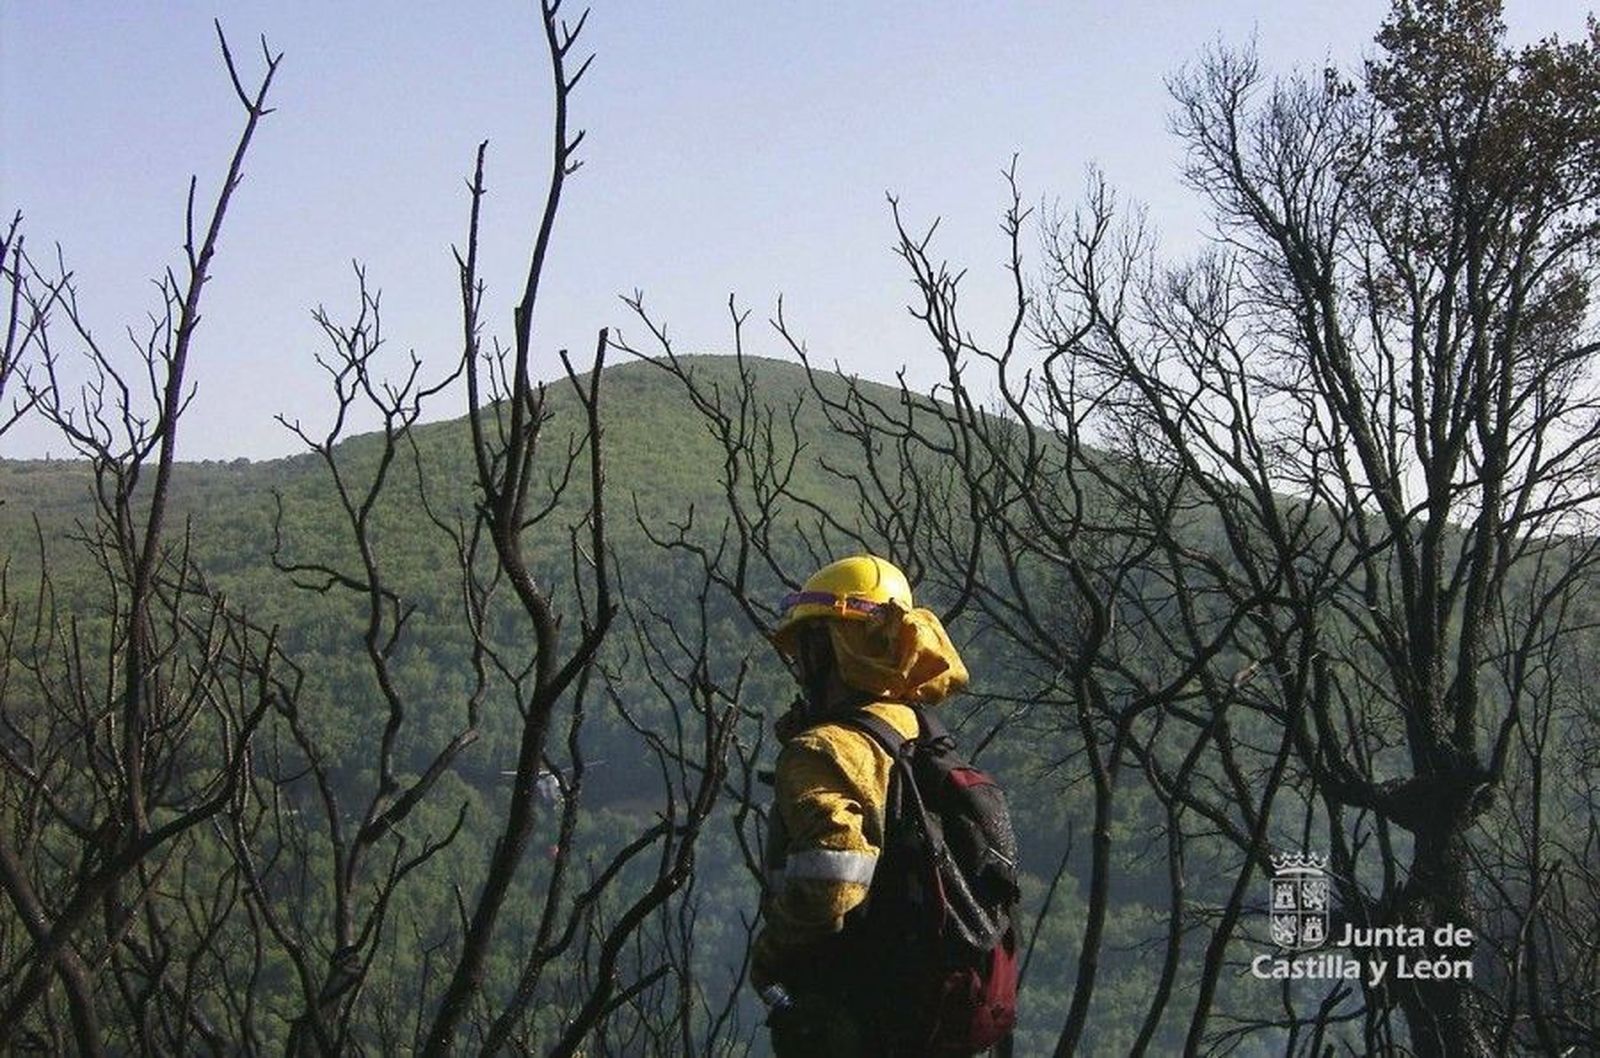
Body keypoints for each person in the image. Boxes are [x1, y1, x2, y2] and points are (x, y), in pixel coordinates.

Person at [751, 554, 971, 1057]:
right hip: (927, 1017)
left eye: (808, 647)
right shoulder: (918, 732)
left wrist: (771, 954)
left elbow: (832, 879)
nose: (800, 665)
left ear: (833, 648)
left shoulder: (824, 748)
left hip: (852, 1014)